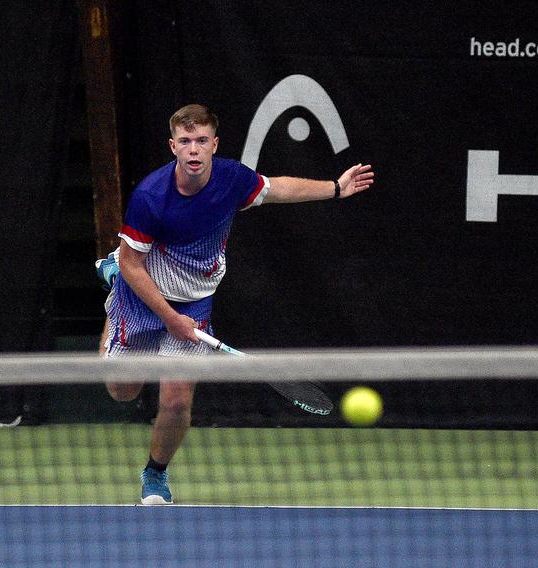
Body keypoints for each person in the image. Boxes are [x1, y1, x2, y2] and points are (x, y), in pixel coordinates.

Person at [97, 104, 374, 504]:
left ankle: (155, 475)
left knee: (175, 403)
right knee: (122, 390)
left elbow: (276, 188)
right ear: (173, 146)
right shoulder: (151, 197)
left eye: (202, 141)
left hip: (193, 302)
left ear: (215, 144)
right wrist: (167, 316)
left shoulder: (231, 180)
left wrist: (334, 187)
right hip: (141, 294)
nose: (194, 150)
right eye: (186, 142)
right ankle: (112, 279)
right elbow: (135, 264)